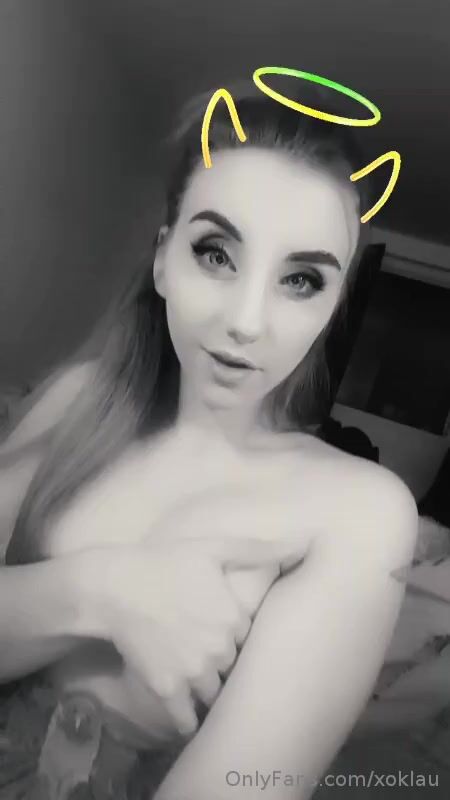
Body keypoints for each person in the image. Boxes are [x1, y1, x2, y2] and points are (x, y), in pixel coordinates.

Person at [0, 79, 418, 799]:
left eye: (301, 280)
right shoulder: (78, 399)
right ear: (163, 259)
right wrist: (101, 592)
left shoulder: (360, 510)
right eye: (217, 253)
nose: (247, 322)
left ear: (332, 308)